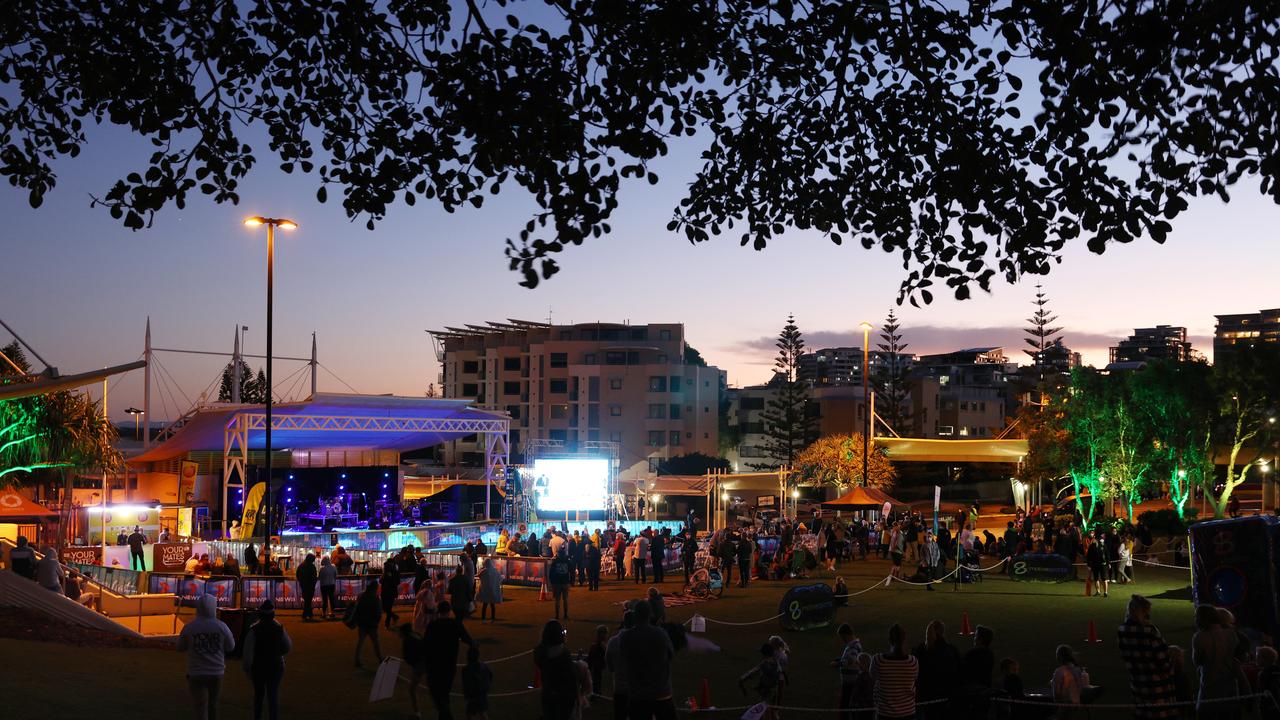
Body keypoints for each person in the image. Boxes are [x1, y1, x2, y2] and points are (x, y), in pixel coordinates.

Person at [1116, 594, 1178, 719]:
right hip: (1157, 685)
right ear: (1142, 612)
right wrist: (1172, 664)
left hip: (1137, 683)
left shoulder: (1122, 630)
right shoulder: (1150, 631)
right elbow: (1163, 660)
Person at [178, 594, 236, 720]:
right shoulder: (222, 626)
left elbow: (180, 646)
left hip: (196, 671)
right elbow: (230, 647)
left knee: (200, 707)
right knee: (213, 705)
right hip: (216, 671)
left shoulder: (190, 627)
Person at [620, 601, 675, 720]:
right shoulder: (660, 634)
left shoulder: (626, 636)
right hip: (661, 692)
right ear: (650, 615)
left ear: (635, 615)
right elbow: (670, 655)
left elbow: (623, 658)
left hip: (638, 693)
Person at [423, 600, 473, 720]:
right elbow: (467, 638)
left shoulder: (432, 625)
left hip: (434, 664)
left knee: (438, 694)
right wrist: (474, 644)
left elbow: (425, 644)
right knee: (444, 693)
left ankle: (445, 716)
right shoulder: (455, 624)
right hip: (449, 664)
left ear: (438, 611)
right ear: (449, 611)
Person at [242, 600, 291, 720]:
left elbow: (247, 653)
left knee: (259, 695)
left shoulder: (254, 630)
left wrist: (248, 669)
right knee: (273, 694)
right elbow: (288, 646)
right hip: (275, 665)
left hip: (259, 666)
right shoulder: (279, 628)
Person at [1193, 604, 1241, 719]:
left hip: (1210, 686)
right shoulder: (1231, 634)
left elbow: (1197, 661)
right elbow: (1237, 658)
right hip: (1229, 685)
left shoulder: (1199, 637)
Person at [913, 619, 960, 718]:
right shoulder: (951, 651)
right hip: (945, 697)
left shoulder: (920, 650)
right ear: (942, 632)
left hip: (924, 698)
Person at [535, 619, 580, 720]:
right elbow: (570, 677)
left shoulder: (539, 651)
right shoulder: (564, 653)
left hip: (547, 690)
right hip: (563, 695)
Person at [871, 623, 918, 720]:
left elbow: (873, 676)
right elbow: (914, 679)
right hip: (908, 712)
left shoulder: (878, 660)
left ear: (889, 640)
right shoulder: (913, 662)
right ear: (904, 639)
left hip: (884, 713)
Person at [607, 611, 636, 720]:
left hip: (619, 687)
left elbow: (609, 664)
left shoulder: (613, 641)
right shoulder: (640, 640)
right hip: (637, 688)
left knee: (620, 715)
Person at [738, 642, 782, 715]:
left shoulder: (765, 664)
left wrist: (742, 679)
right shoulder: (776, 662)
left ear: (764, 654)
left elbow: (753, 672)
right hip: (774, 689)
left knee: (765, 709)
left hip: (767, 690)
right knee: (771, 708)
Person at [1051, 644, 1091, 718]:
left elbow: (1056, 694)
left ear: (1060, 656)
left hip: (1064, 709)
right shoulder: (1078, 670)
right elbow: (1080, 689)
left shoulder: (1059, 671)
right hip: (1077, 707)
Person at [399, 622, 429, 718]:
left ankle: (417, 712)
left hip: (419, 665)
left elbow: (407, 657)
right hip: (428, 662)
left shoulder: (407, 640)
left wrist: (413, 663)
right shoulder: (417, 635)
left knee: (412, 689)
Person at [351, 580, 383, 669]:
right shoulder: (376, 598)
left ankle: (357, 660)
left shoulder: (361, 596)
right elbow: (378, 612)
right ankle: (380, 659)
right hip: (372, 624)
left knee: (360, 642)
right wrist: (376, 621)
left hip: (362, 623)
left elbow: (357, 609)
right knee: (376, 643)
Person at [462, 645, 493, 720]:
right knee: (481, 713)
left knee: (469, 714)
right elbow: (490, 675)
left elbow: (466, 684)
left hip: (473, 697)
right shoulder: (483, 665)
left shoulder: (467, 669)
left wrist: (467, 695)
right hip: (482, 695)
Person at [548, 547, 573, 621]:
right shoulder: (567, 561)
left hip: (557, 583)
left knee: (557, 600)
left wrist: (552, 582)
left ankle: (557, 615)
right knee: (565, 600)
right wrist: (571, 581)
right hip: (565, 582)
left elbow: (551, 573)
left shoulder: (555, 562)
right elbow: (571, 572)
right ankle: (565, 615)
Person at [475, 557, 503, 622]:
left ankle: (483, 618)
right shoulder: (495, 570)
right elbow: (500, 578)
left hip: (485, 590)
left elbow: (478, 575)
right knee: (492, 605)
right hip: (492, 590)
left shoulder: (484, 571)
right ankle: (492, 618)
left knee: (485, 605)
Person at [295, 553, 318, 621]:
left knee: (307, 600)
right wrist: (314, 583)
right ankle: (307, 614)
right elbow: (314, 576)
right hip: (310, 585)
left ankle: (307, 614)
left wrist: (301, 581)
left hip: (304, 585)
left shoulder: (301, 566)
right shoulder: (312, 566)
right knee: (308, 600)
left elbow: (298, 575)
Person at [588, 625, 609, 700]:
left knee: (596, 679)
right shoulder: (604, 646)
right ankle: (596, 693)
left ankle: (595, 693)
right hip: (598, 665)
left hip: (596, 665)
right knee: (597, 679)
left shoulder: (596, 646)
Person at [1086, 531, 1109, 597]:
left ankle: (1105, 592)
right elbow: (1089, 556)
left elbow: (1107, 554)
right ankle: (1098, 592)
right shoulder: (1092, 545)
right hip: (1095, 564)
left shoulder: (1103, 545)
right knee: (1096, 578)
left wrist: (1108, 563)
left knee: (1104, 579)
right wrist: (1089, 564)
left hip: (1102, 564)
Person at [379, 562, 401, 628]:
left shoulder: (394, 573)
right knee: (385, 608)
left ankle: (387, 623)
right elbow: (380, 581)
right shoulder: (385, 573)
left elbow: (397, 582)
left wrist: (390, 577)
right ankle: (394, 616)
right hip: (385, 593)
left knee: (388, 608)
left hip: (390, 593)